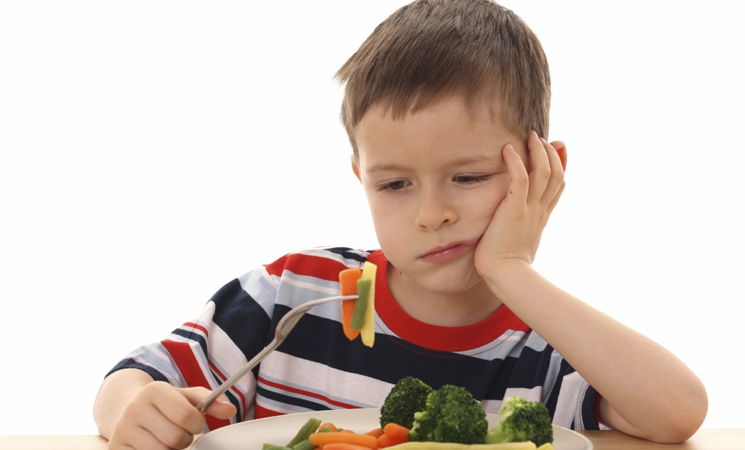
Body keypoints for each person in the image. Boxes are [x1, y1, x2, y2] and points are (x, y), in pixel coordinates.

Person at [94, 1, 708, 448]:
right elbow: (136, 379)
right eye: (394, 184)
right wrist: (133, 409)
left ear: (540, 169)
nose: (431, 214)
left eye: (467, 177)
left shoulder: (548, 347)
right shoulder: (294, 293)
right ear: (360, 176)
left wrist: (509, 269)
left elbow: (676, 413)